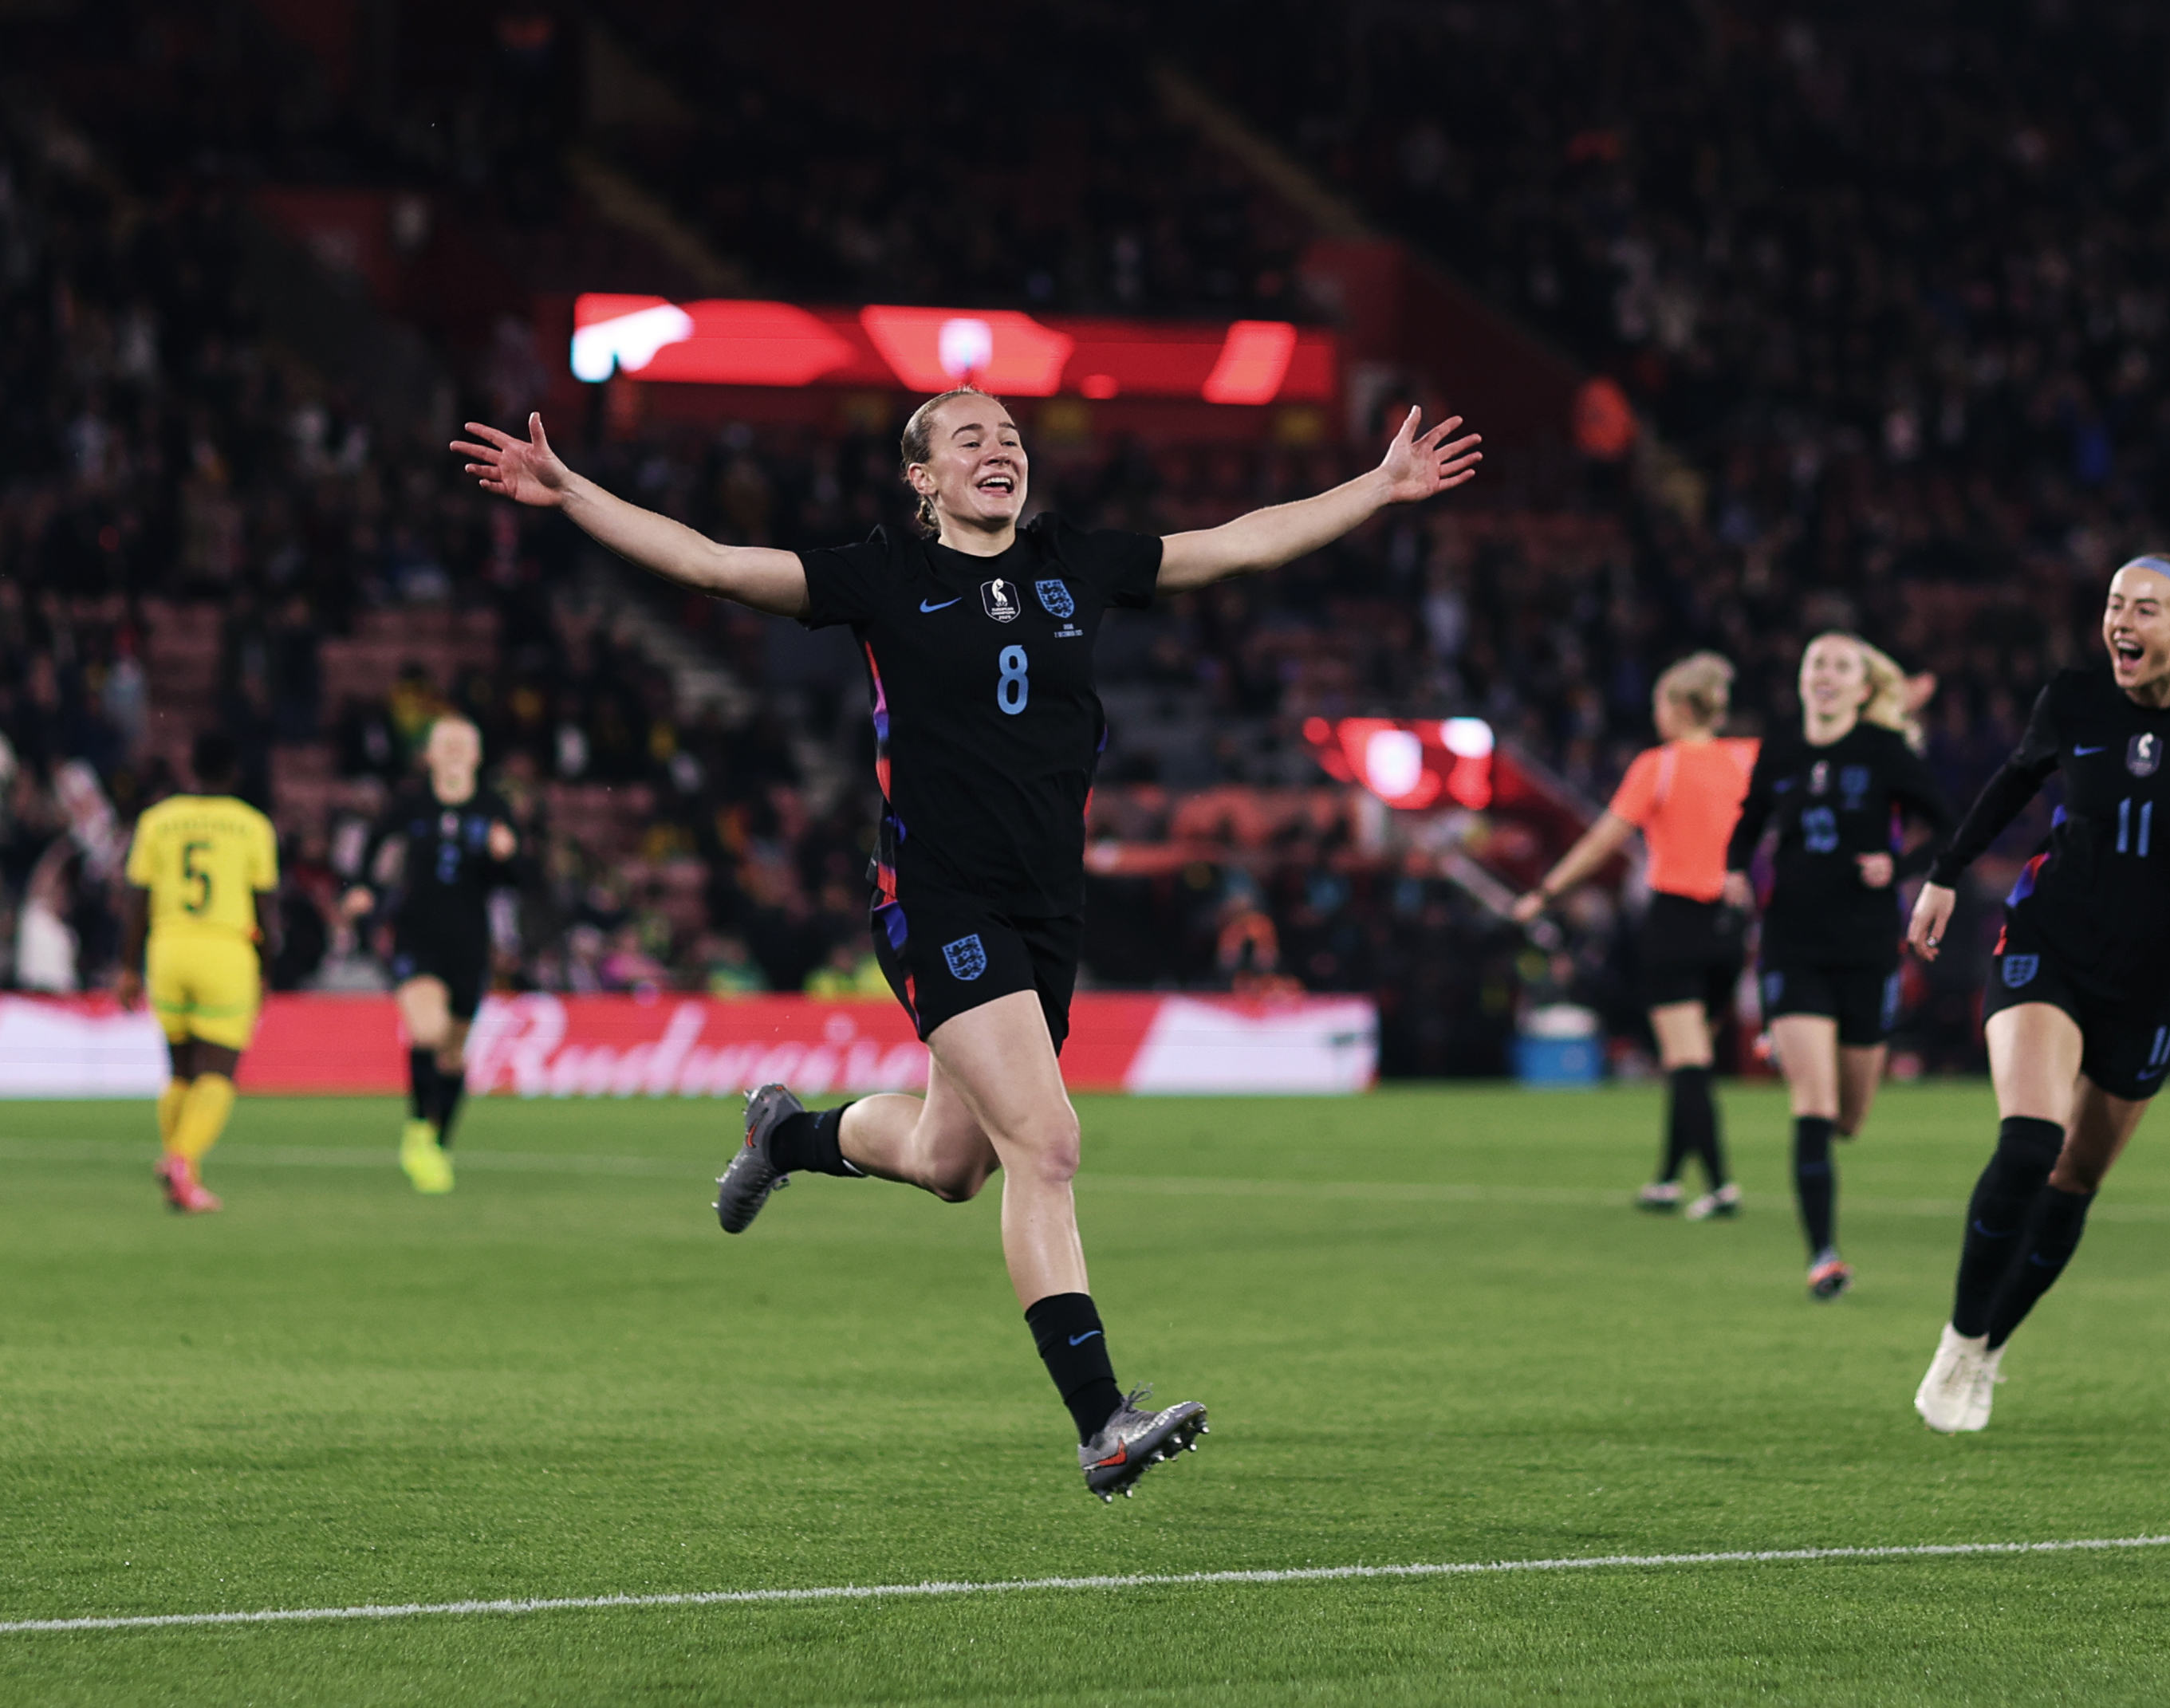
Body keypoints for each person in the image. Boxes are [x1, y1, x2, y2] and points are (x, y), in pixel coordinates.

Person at [454, 394, 1479, 1500]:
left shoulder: (1073, 561)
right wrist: (575, 494)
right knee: (1048, 1143)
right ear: (923, 480)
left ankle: (786, 1133)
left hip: (1045, 911)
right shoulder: (883, 574)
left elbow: (1233, 544)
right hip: (937, 901)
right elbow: (711, 563)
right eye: (968, 438)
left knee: (954, 1163)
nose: (1000, 449)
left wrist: (1377, 486)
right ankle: (1102, 1421)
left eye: (1010, 435)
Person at [1904, 555, 2170, 1432]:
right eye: (2114, 604)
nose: (2121, 620)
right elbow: (2012, 781)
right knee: (2030, 1141)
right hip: (2049, 940)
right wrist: (1943, 875)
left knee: (2075, 1178)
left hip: (2151, 974)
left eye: (2144, 608)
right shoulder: (2073, 697)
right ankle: (1958, 1343)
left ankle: (1991, 1347)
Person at [1723, 633, 1950, 1301]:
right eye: (1816, 663)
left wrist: (1898, 867)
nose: (1825, 674)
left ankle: (1801, 1048)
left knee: (1848, 1117)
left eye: (1840, 666)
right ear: (1801, 680)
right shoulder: (1781, 749)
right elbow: (1750, 819)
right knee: (1812, 1107)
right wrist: (1736, 869)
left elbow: (1948, 825)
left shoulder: (1885, 752)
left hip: (1867, 947)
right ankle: (1823, 1256)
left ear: (1861, 687)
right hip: (1792, 944)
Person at [1513, 654, 1751, 1221]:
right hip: (1730, 927)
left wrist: (1545, 892)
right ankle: (1668, 1180)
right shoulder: (1746, 760)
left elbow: (1601, 842)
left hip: (1675, 922)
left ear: (1676, 707)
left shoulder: (1658, 766)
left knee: (1687, 1058)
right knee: (1690, 1055)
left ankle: (1720, 1185)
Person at [342, 716, 519, 1194]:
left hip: (469, 941)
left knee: (453, 1051)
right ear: (431, 755)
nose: (457, 749)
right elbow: (376, 843)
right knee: (427, 1029)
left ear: (478, 755)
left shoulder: (494, 807)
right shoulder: (412, 804)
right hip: (417, 934)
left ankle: (436, 1144)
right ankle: (419, 1128)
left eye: (466, 742)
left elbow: (517, 880)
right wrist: (362, 887)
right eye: (447, 743)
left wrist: (507, 857)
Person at [116, 732, 281, 1214]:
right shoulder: (252, 826)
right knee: (218, 1073)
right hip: (225, 950)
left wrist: (128, 966)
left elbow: (137, 901)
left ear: (191, 768)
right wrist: (268, 968)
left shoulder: (158, 822)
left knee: (181, 1069)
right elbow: (266, 908)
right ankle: (182, 1162)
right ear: (234, 772)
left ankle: (183, 1182)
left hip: (167, 948)